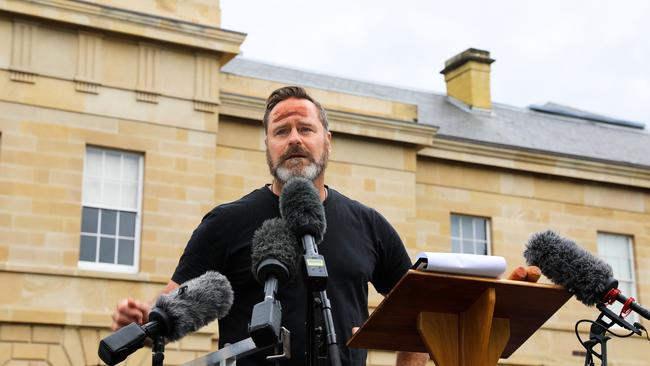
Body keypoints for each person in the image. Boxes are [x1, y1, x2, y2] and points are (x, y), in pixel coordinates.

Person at [111, 86, 538, 366]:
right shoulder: (227, 222)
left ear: (326, 140)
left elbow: (417, 319)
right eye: (281, 130)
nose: (294, 138)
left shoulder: (369, 224)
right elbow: (168, 310)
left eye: (305, 128)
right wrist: (145, 323)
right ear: (267, 145)